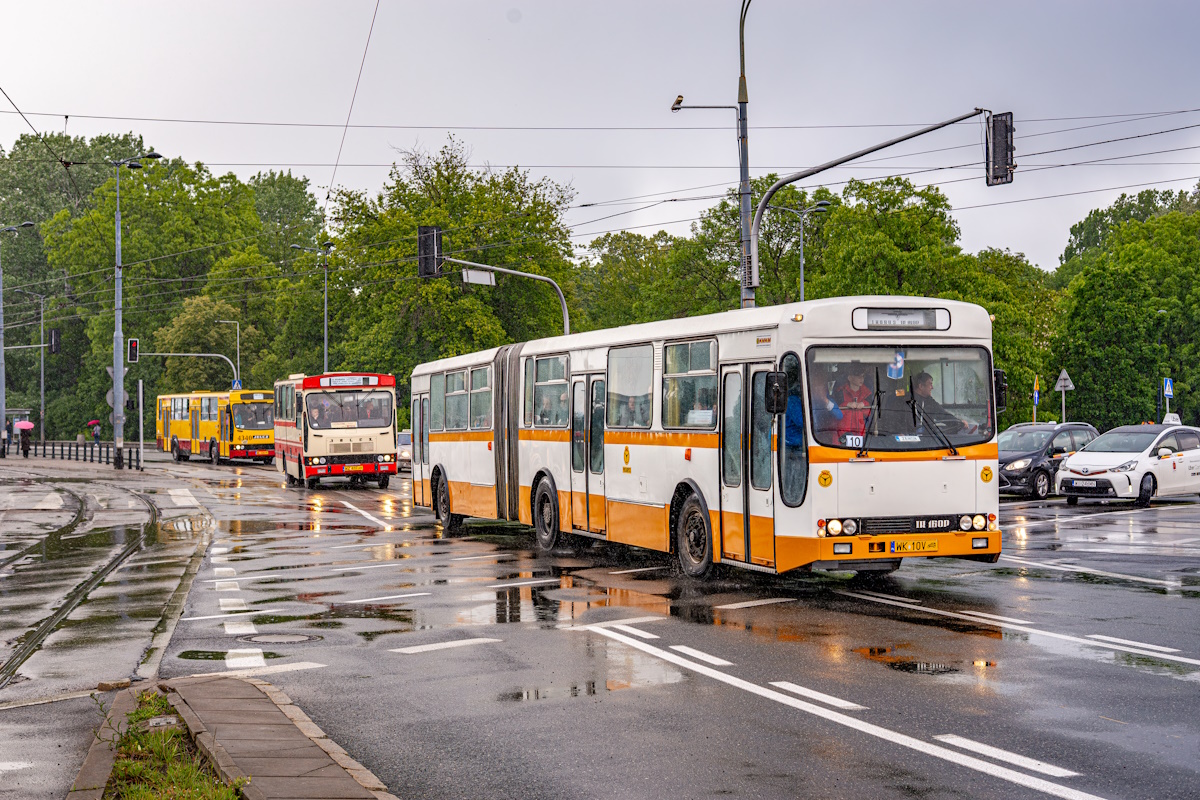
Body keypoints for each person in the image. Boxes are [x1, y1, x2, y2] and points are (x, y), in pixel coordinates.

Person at [835, 363, 872, 441]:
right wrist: (847, 404)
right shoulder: (840, 393)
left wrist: (864, 404)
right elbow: (836, 413)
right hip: (842, 434)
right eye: (859, 377)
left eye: (863, 377)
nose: (862, 379)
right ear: (850, 378)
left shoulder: (868, 394)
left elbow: (870, 414)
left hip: (861, 434)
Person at [809, 368, 844, 442]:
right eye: (817, 386)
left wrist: (825, 400)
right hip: (799, 443)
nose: (820, 389)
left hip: (822, 438)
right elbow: (803, 422)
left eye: (822, 386)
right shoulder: (799, 398)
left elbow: (839, 415)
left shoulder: (827, 398)